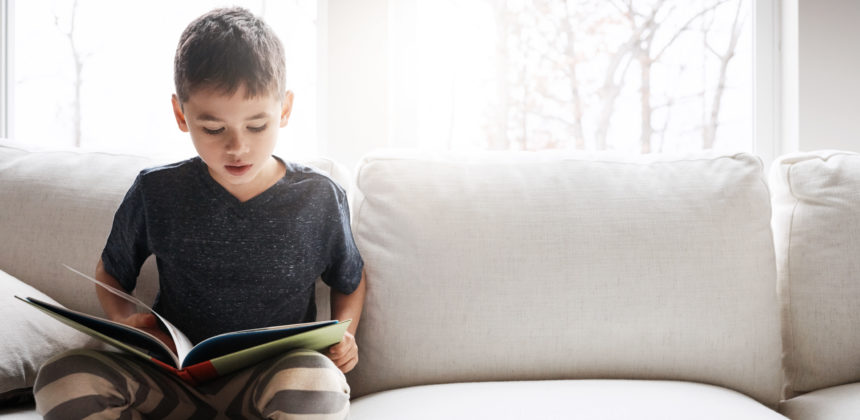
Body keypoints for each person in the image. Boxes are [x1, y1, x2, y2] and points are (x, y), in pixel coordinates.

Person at [32, 7, 365, 419]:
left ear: (284, 109)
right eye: (213, 129)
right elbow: (111, 271)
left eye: (257, 126)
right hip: (172, 378)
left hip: (267, 383)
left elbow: (350, 279)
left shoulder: (318, 198)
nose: (237, 147)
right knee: (62, 376)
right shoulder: (157, 192)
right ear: (180, 114)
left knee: (317, 381)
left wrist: (345, 334)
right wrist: (127, 320)